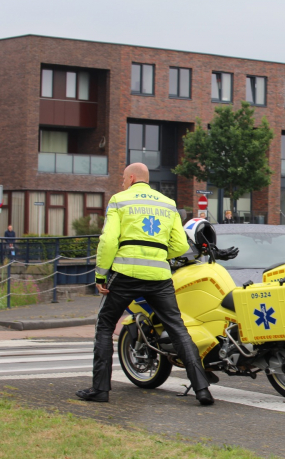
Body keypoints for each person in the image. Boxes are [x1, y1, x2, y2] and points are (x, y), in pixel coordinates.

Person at [76, 163, 237, 405]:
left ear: (131, 178)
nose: (122, 183)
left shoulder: (119, 200)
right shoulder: (167, 203)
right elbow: (179, 246)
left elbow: (108, 241)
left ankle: (100, 389)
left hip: (125, 274)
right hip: (159, 277)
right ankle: (202, 389)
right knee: (178, 328)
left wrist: (100, 275)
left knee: (105, 325)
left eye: (122, 178)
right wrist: (158, 256)